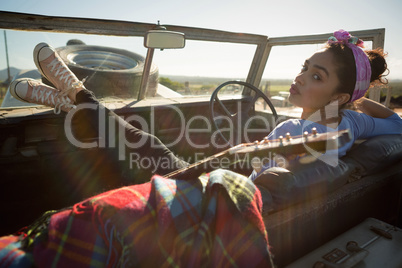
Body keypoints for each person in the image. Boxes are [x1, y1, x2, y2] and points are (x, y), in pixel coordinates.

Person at [1, 30, 401, 267]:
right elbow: (396, 124)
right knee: (142, 143)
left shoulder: (328, 134)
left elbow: (290, 165)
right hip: (222, 177)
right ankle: (73, 98)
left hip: (208, 190)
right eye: (303, 67)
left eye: (316, 75)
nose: (300, 78)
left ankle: (75, 97)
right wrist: (357, 98)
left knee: (137, 144)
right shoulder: (347, 120)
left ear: (337, 94)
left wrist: (347, 101)